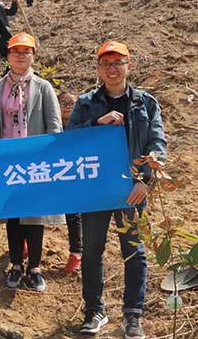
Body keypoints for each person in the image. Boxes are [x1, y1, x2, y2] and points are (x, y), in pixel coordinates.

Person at [70, 41, 164, 339]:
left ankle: (132, 315)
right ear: (99, 69)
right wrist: (97, 123)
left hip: (131, 189)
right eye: (106, 64)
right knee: (92, 251)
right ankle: (94, 311)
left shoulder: (145, 103)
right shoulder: (86, 102)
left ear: (129, 66)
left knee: (133, 251)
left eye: (118, 63)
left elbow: (157, 143)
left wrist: (144, 180)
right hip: (95, 188)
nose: (112, 69)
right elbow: (69, 140)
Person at [0, 32, 63, 293]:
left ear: (33, 56)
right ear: (8, 56)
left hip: (35, 162)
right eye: (15, 52)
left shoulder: (43, 87)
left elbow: (54, 125)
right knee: (13, 215)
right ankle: (17, 264)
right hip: (7, 162)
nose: (20, 56)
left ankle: (35, 267)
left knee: (34, 216)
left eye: (26, 52)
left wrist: (50, 157)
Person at [57, 91, 84, 275]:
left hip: (74, 177)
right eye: (63, 103)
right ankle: (26, 244)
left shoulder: (83, 125)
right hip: (48, 175)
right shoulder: (48, 124)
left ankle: (76, 252)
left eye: (71, 103)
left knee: (73, 214)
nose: (67, 107)